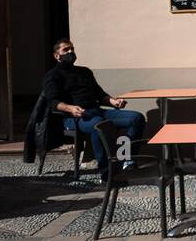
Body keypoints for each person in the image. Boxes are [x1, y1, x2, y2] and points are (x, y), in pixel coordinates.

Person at [41, 39, 146, 176]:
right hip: (74, 117)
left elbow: (99, 94)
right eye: (66, 50)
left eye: (72, 48)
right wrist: (71, 108)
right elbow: (53, 102)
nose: (70, 52)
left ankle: (127, 159)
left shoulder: (84, 72)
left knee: (136, 118)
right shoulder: (53, 75)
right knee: (99, 125)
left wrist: (113, 102)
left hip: (97, 111)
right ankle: (106, 172)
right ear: (57, 56)